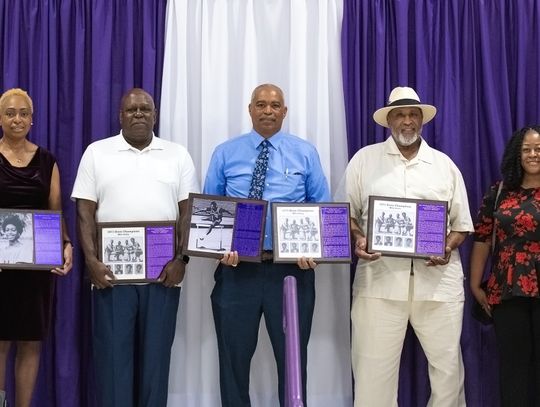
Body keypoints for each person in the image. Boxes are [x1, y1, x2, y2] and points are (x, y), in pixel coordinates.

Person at [345, 86, 473, 406]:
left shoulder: (444, 165)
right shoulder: (364, 160)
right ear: (389, 120)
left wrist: (446, 246)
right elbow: (343, 214)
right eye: (399, 115)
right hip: (379, 281)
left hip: (438, 284)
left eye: (412, 114)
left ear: (421, 120)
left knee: (448, 373)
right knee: (372, 372)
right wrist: (359, 239)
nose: (406, 121)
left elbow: (462, 225)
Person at [203, 83, 330, 406]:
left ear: (285, 112)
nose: (268, 111)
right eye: (261, 104)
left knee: (292, 361)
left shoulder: (305, 152)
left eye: (275, 105)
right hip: (237, 271)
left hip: (291, 273)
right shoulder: (225, 153)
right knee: (233, 361)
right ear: (250, 110)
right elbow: (209, 211)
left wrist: (313, 251)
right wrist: (218, 248)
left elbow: (322, 210)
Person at [71, 88, 199, 407]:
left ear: (155, 115)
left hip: (164, 275)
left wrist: (182, 259)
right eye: (132, 110)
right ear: (121, 116)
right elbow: (84, 211)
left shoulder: (177, 154)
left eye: (145, 109)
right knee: (113, 362)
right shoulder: (96, 153)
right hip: (112, 277)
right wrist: (91, 261)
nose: (139, 114)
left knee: (156, 363)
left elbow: (188, 211)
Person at [0, 88, 73, 407]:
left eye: (24, 113)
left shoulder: (47, 161)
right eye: (10, 113)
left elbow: (55, 212)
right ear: (0, 118)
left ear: (32, 118)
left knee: (30, 343)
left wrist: (66, 245)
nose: (17, 119)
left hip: (34, 271)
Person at [470, 126, 540, 407]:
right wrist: (475, 284)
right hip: (507, 290)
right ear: (516, 153)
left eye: (538, 149)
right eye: (526, 149)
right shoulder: (499, 191)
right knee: (513, 368)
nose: (533, 154)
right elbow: (483, 238)